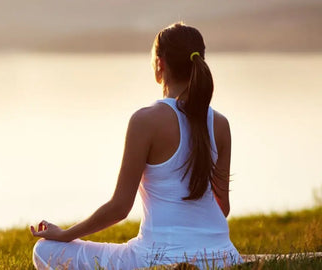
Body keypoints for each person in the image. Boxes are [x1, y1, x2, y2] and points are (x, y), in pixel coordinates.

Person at [30, 22, 243, 269]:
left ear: (160, 64)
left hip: (157, 259)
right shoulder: (220, 124)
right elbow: (222, 208)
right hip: (225, 258)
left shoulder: (145, 120)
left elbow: (119, 208)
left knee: (45, 249)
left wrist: (65, 234)